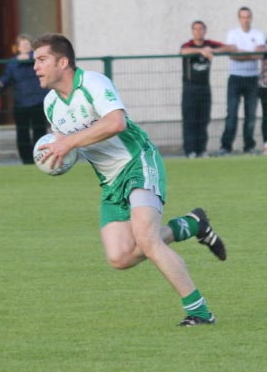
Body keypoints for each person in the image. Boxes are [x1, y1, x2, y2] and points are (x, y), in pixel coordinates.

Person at [32, 33, 227, 327]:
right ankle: (192, 224)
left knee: (147, 240)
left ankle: (200, 313)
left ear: (63, 62)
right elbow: (65, 138)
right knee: (120, 257)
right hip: (110, 181)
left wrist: (68, 143)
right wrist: (56, 153)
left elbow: (116, 122)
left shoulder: (94, 84)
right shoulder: (50, 104)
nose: (35, 66)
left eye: (41, 59)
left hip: (138, 162)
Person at [180, 20, 235, 158]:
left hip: (204, 88)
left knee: (204, 119)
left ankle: (201, 149)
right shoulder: (188, 45)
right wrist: (201, 51)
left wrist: (212, 50)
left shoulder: (209, 44)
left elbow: (231, 48)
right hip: (190, 88)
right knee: (190, 120)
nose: (198, 32)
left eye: (201, 29)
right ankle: (190, 150)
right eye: (196, 29)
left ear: (205, 31)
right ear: (192, 31)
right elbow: (183, 51)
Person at [0, 34, 48, 164]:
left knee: (39, 131)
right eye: (23, 45)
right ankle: (27, 160)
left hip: (38, 101)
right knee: (22, 133)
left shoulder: (37, 59)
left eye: (27, 45)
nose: (25, 47)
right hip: (20, 103)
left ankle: (41, 158)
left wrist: (30, 57)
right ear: (18, 47)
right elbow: (6, 78)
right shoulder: (13, 64)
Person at [219, 7, 265, 155]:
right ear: (239, 19)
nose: (246, 20)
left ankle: (249, 146)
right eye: (243, 17)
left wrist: (242, 53)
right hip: (235, 78)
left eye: (248, 17)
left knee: (250, 115)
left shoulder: (258, 34)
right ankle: (226, 146)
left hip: (252, 78)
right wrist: (250, 54)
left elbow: (259, 55)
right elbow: (233, 56)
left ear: (251, 18)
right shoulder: (233, 34)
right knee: (232, 114)